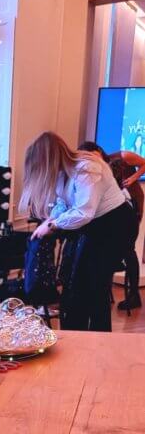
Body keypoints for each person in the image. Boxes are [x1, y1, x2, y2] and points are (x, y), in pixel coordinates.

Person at [20, 132, 136, 331]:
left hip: (116, 225)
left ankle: (98, 343)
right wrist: (49, 220)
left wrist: (52, 225)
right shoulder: (62, 173)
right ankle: (78, 338)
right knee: (77, 285)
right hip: (96, 225)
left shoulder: (87, 169)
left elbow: (83, 212)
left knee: (95, 287)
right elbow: (62, 203)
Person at [79, 140, 144, 310]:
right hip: (115, 209)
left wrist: (133, 178)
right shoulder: (96, 168)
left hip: (132, 203)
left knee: (128, 249)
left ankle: (134, 294)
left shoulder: (122, 156)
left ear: (98, 151)